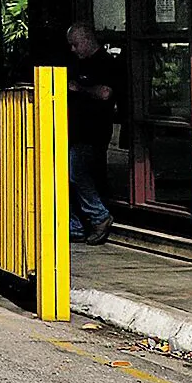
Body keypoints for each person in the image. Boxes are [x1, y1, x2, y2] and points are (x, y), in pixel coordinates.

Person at [63, 22, 122, 245]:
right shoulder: (78, 63)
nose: (73, 49)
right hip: (75, 129)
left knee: (77, 173)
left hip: (93, 130)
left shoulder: (106, 63)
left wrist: (80, 89)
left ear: (87, 40)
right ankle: (75, 225)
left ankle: (99, 215)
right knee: (69, 176)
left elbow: (106, 93)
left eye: (76, 44)